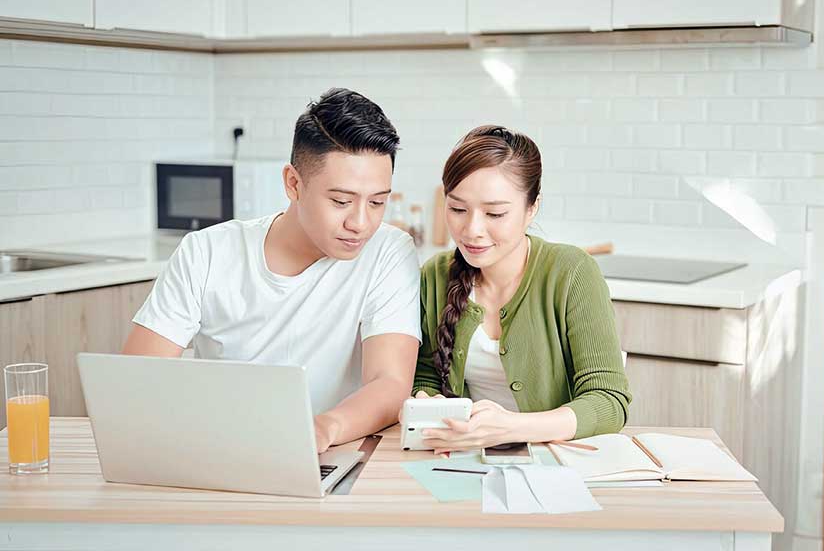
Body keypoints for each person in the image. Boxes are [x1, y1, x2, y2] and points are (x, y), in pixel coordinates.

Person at [123, 88, 421, 453]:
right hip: (217, 450)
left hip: (332, 453)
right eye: (341, 201)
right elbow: (136, 382)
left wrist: (321, 430)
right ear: (293, 183)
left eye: (377, 202)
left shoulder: (388, 251)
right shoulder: (207, 252)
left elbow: (389, 383)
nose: (360, 222)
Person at [412, 125, 631, 452]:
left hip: (557, 459)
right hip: (464, 457)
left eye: (495, 213)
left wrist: (512, 428)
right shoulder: (435, 274)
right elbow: (426, 374)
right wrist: (428, 403)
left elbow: (609, 401)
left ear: (532, 208)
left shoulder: (571, 272)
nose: (472, 230)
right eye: (457, 209)